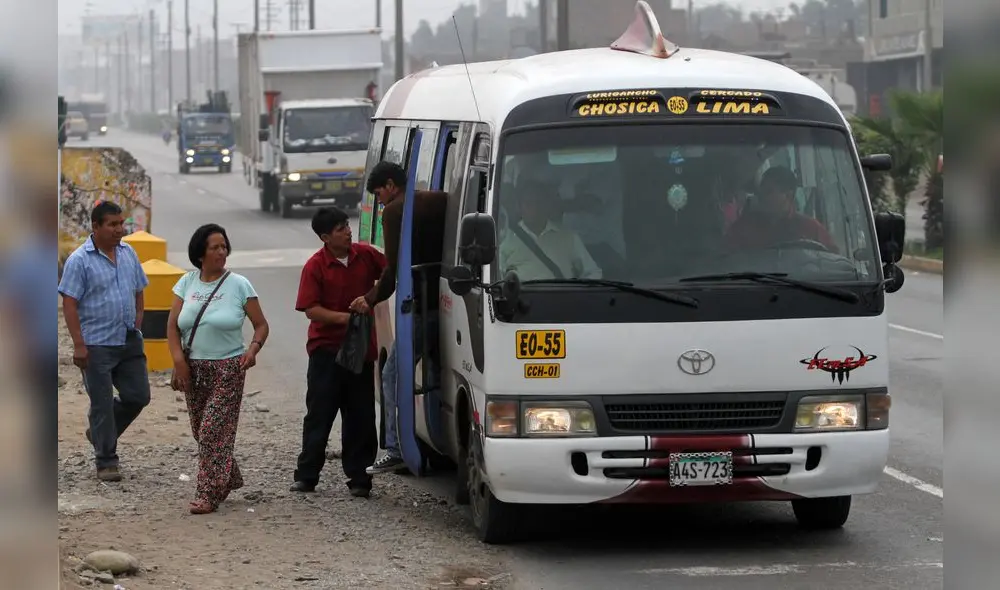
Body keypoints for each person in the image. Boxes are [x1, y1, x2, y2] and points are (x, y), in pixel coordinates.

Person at [167, 224, 269, 515]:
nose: (222, 252)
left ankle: (207, 493)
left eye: (224, 246)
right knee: (201, 431)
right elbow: (172, 326)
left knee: (212, 430)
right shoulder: (186, 283)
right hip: (193, 368)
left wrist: (253, 349)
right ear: (200, 253)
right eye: (215, 247)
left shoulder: (239, 285)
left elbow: (261, 324)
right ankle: (228, 476)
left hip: (229, 368)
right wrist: (178, 362)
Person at [353, 161, 447, 475]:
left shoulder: (395, 212)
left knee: (391, 374)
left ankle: (395, 448)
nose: (380, 202)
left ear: (390, 185)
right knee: (438, 374)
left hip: (419, 308)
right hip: (450, 303)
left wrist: (369, 298)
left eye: (380, 194)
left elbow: (394, 271)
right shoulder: (439, 199)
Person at [292, 207, 386, 497]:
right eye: (340, 228)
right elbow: (311, 309)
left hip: (361, 349)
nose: (348, 231)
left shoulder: (366, 255)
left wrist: (371, 298)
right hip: (327, 350)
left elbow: (391, 274)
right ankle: (307, 476)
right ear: (325, 237)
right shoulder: (315, 266)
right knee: (320, 413)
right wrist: (347, 318)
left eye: (347, 225)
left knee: (361, 414)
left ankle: (360, 478)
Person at [57, 201, 150, 482]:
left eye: (121, 223)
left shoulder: (128, 252)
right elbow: (69, 304)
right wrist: (79, 345)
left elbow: (139, 290)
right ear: (96, 227)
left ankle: (99, 433)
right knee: (102, 403)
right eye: (112, 224)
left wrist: (137, 322)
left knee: (138, 396)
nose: (119, 229)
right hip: (96, 344)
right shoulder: (79, 261)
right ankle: (106, 460)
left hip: (128, 340)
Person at [499, 178, 603, 281]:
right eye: (529, 203)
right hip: (519, 292)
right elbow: (497, 278)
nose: (534, 208)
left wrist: (578, 290)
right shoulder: (505, 239)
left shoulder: (569, 238)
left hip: (562, 292)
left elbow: (593, 273)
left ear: (547, 206)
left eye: (539, 203)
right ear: (519, 207)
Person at [724, 166, 838, 252]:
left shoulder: (811, 228)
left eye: (768, 191)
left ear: (788, 196)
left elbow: (833, 262)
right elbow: (725, 260)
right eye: (760, 191)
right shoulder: (744, 227)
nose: (760, 196)